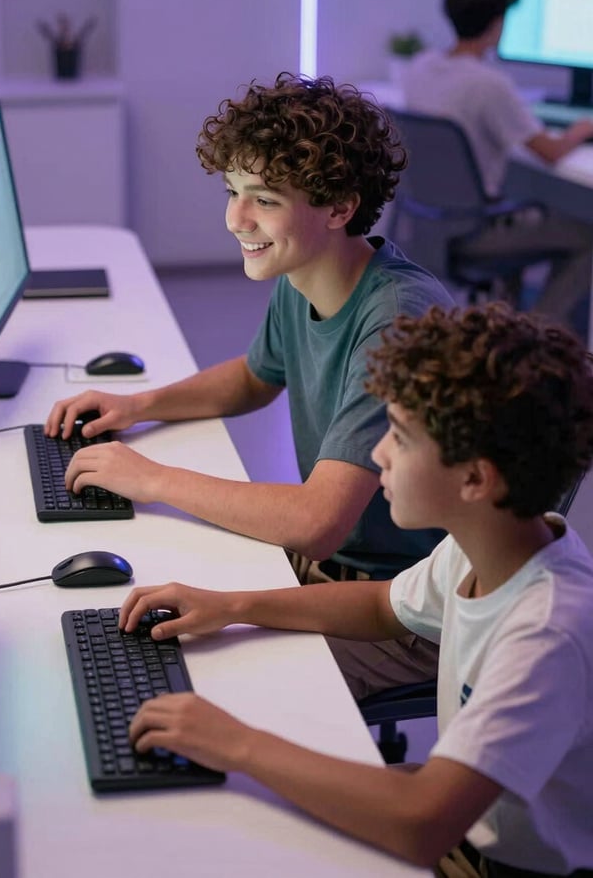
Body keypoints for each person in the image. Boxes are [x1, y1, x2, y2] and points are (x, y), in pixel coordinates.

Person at [119, 303, 593, 878]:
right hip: (466, 821)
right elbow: (379, 604)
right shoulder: (485, 544)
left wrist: (237, 743)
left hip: (502, 864)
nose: (377, 454)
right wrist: (232, 606)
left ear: (474, 478)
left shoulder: (546, 631)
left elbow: (422, 825)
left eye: (399, 437)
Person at [46, 72, 453, 698]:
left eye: (264, 198)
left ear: (340, 206)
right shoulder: (307, 272)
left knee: (207, 681)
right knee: (138, 601)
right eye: (234, 191)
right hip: (337, 573)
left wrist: (151, 478)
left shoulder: (398, 317)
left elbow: (318, 522)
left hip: (402, 605)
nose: (237, 218)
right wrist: (139, 405)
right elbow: (254, 378)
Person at [402, 0, 593, 332]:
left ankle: (506, 333)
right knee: (587, 234)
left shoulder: (420, 67)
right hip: (475, 231)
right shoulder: (489, 85)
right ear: (497, 23)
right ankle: (534, 337)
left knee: (528, 208)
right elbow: (549, 152)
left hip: (428, 225)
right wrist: (581, 129)